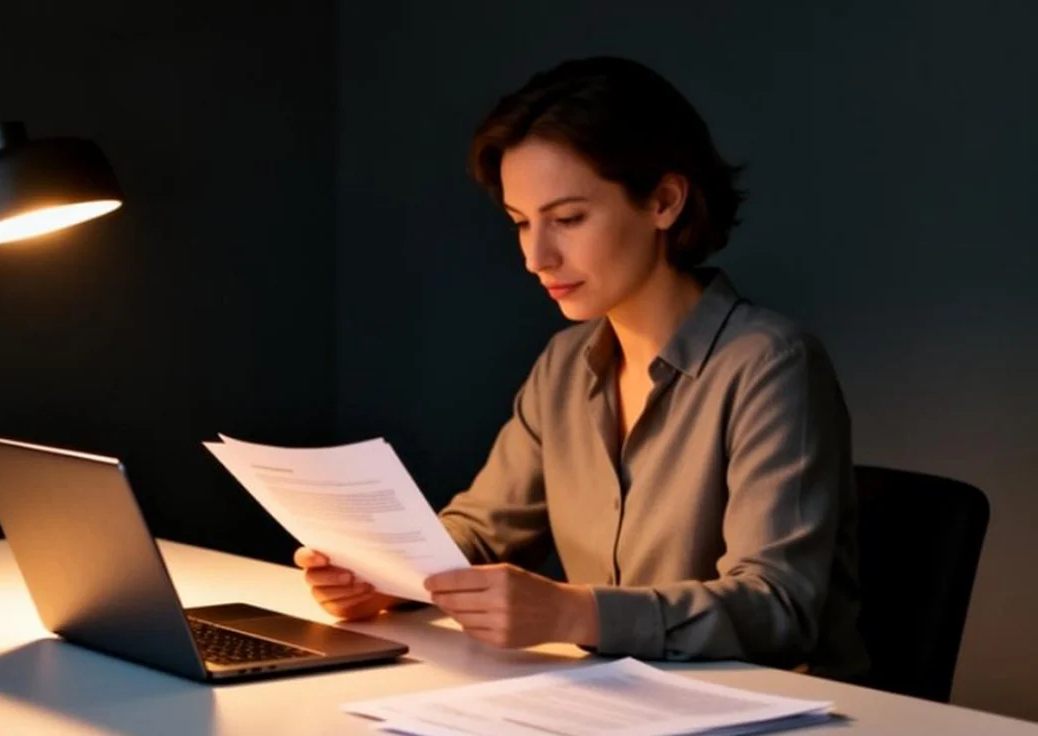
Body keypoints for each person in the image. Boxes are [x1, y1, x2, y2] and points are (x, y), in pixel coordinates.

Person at [296, 56, 869, 680]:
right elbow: (481, 532)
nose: (536, 258)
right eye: (521, 223)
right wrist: (382, 575)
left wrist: (577, 614)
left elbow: (777, 607)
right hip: (616, 702)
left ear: (665, 201)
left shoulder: (769, 364)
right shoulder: (565, 365)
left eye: (567, 219)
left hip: (772, 715)